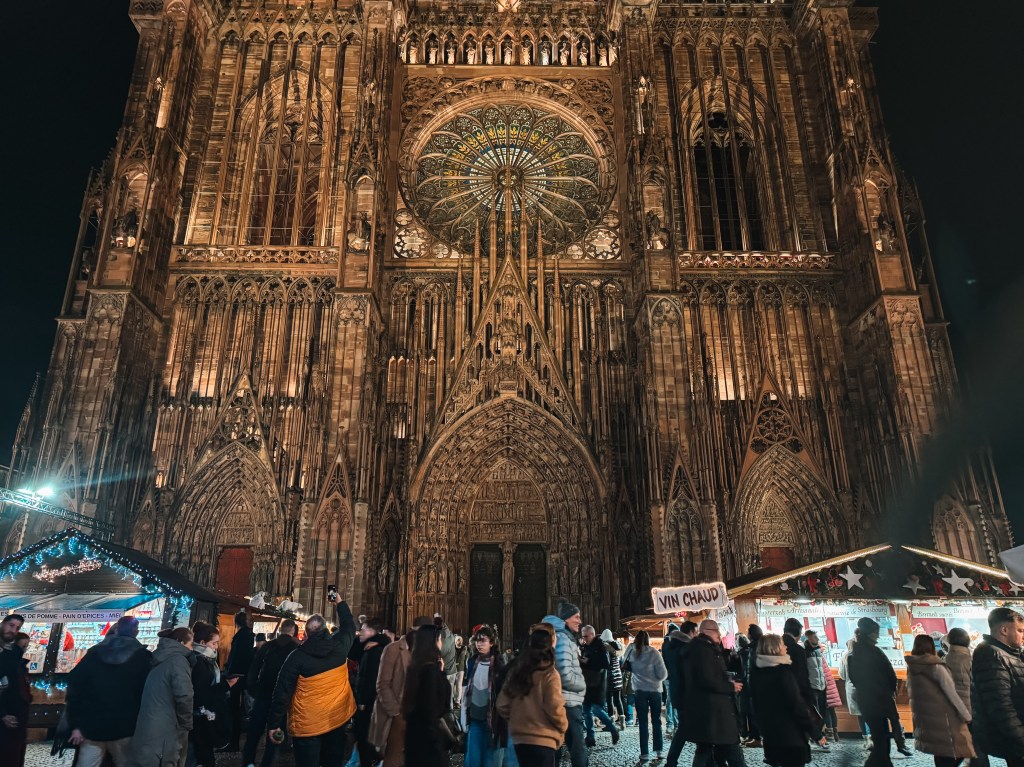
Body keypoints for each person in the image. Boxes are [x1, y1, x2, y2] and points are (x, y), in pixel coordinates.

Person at [267, 594, 357, 767]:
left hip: (307, 725)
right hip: (335, 720)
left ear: (306, 633)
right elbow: (349, 626)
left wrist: (274, 724)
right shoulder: (340, 647)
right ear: (325, 630)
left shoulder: (296, 657)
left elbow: (282, 692)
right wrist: (340, 603)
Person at [66, 615, 152, 767]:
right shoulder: (143, 657)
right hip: (125, 726)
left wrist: (76, 724)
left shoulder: (95, 653)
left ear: (117, 629)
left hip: (92, 725)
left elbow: (75, 686)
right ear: (136, 632)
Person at [497, 624, 568, 767]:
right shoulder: (549, 674)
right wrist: (563, 726)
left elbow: (502, 704)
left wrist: (518, 719)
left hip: (520, 740)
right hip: (544, 739)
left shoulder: (517, 671)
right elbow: (554, 708)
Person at [369, 615, 433, 767]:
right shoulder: (394, 649)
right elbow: (383, 684)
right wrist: (396, 712)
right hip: (399, 714)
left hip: (419, 716)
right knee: (394, 758)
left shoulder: (428, 653)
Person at [750, 633, 822, 767]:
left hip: (771, 737)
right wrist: (815, 733)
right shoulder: (783, 672)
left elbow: (755, 705)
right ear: (775, 648)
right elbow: (797, 706)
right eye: (782, 645)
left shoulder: (756, 673)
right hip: (790, 737)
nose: (786, 647)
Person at [682, 619, 746, 767]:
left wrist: (732, 658)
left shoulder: (706, 648)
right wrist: (730, 687)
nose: (719, 634)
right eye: (716, 630)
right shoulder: (703, 650)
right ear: (707, 632)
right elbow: (707, 679)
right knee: (731, 753)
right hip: (715, 713)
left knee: (706, 752)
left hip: (711, 713)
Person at [129, 627, 195, 767]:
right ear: (181, 643)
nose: (192, 649)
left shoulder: (160, 657)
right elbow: (184, 694)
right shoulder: (178, 660)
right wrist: (186, 723)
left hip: (149, 728)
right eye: (191, 644)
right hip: (165, 731)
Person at [907, 634, 974, 767]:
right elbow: (951, 693)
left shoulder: (913, 666)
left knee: (940, 751)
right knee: (956, 749)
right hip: (943, 714)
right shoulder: (936, 666)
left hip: (926, 715)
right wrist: (966, 715)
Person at [971, 607, 1024, 766]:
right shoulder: (991, 654)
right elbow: (1001, 707)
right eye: (1020, 630)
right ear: (1004, 630)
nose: (1023, 635)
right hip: (1014, 741)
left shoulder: (1011, 653)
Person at [242, 619, 298, 767]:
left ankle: (248, 762)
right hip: (282, 698)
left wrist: (253, 689)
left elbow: (254, 669)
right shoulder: (296, 649)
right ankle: (267, 763)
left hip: (263, 693)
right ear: (293, 631)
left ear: (281, 630)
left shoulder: (268, 646)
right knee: (275, 733)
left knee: (254, 731)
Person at [540, 601, 588, 767]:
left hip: (554, 700)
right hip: (567, 700)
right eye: (576, 617)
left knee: (555, 745)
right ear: (566, 619)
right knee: (577, 745)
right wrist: (581, 685)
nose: (580, 621)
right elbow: (564, 673)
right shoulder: (562, 638)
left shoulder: (556, 635)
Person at [848, 618, 898, 767]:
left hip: (867, 700)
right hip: (878, 699)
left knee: (880, 737)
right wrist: (888, 690)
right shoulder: (873, 652)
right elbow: (889, 674)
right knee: (882, 738)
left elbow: (854, 678)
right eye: (877, 633)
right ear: (870, 634)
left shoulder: (856, 652)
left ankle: (882, 763)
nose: (878, 636)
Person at [403, 624, 453, 767]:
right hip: (429, 742)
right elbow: (432, 708)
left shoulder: (415, 668)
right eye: (440, 639)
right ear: (434, 642)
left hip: (414, 738)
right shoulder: (430, 671)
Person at [190, 621, 236, 767]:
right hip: (200, 716)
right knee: (203, 755)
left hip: (203, 715)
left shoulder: (206, 660)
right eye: (214, 643)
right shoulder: (199, 662)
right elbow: (203, 694)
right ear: (203, 643)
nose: (216, 647)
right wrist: (226, 685)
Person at [461, 625, 508, 767]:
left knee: (490, 760)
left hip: (492, 720)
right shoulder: (472, 662)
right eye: (477, 640)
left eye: (483, 641)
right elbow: (467, 689)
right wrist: (463, 715)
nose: (479, 644)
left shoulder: (499, 666)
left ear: (492, 642)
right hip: (475, 717)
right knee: (473, 759)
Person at [353, 618, 391, 767]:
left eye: (363, 630)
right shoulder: (368, 647)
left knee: (366, 740)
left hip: (369, 704)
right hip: (369, 703)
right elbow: (352, 652)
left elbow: (371, 679)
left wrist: (362, 701)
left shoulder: (375, 651)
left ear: (372, 632)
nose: (360, 632)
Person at [628, 630, 667, 762]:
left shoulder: (633, 653)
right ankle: (659, 750)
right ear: (648, 640)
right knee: (656, 721)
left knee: (643, 722)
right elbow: (663, 674)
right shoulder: (654, 653)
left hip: (640, 691)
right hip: (655, 690)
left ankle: (644, 753)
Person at [664, 621, 698, 767]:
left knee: (684, 729)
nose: (697, 635)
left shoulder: (671, 646)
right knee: (687, 729)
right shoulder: (686, 648)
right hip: (687, 694)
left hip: (678, 692)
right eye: (696, 632)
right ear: (690, 632)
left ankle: (671, 761)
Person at [579, 624, 619, 746]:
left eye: (586, 636)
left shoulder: (600, 646)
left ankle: (612, 728)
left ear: (592, 634)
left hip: (598, 683)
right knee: (586, 710)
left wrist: (588, 661)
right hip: (587, 682)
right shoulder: (587, 646)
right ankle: (590, 737)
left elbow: (605, 664)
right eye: (583, 636)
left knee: (596, 709)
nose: (584, 638)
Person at [223, 611, 255, 752]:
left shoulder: (243, 636)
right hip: (241, 676)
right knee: (237, 709)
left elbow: (238, 657)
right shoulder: (246, 636)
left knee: (234, 709)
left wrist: (230, 672)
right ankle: (234, 740)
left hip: (237, 677)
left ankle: (233, 741)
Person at [0, 614, 28, 767]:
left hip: (12, 718)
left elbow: (12, 685)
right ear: (3, 623)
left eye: (17, 628)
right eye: (11, 625)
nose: (13, 630)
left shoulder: (13, 652)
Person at [803, 630, 829, 750]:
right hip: (813, 687)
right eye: (815, 637)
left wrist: (824, 682)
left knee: (822, 714)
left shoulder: (818, 651)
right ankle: (817, 738)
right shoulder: (805, 652)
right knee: (814, 715)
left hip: (821, 686)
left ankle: (818, 737)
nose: (817, 639)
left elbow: (821, 669)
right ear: (808, 638)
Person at [839, 637, 869, 741]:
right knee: (867, 712)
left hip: (851, 688)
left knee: (860, 714)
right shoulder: (864, 655)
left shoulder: (845, 656)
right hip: (864, 687)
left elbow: (842, 675)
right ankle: (870, 735)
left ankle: (865, 736)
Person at [738, 625, 762, 748]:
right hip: (749, 683)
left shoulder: (757, 647)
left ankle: (757, 737)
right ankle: (753, 736)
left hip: (754, 684)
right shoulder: (752, 647)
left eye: (748, 631)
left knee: (753, 712)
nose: (747, 633)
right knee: (749, 711)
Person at [600, 629, 625, 727]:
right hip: (618, 675)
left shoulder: (605, 646)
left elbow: (605, 662)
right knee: (618, 699)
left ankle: (611, 723)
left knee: (609, 700)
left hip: (609, 676)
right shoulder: (618, 645)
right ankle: (622, 723)